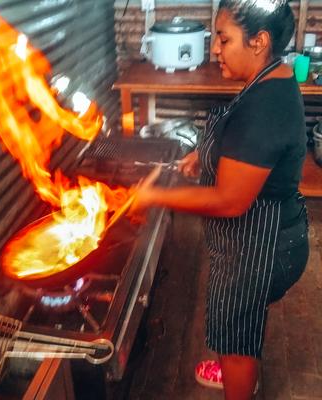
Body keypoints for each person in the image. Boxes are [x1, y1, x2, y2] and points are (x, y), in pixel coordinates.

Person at [129, 0, 309, 399]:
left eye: (224, 40)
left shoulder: (265, 108)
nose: (214, 49)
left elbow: (230, 201)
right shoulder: (271, 77)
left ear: (259, 41)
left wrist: (156, 195)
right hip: (270, 233)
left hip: (260, 247)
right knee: (243, 318)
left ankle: (239, 377)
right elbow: (245, 145)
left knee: (236, 335)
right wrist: (204, 154)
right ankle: (236, 368)